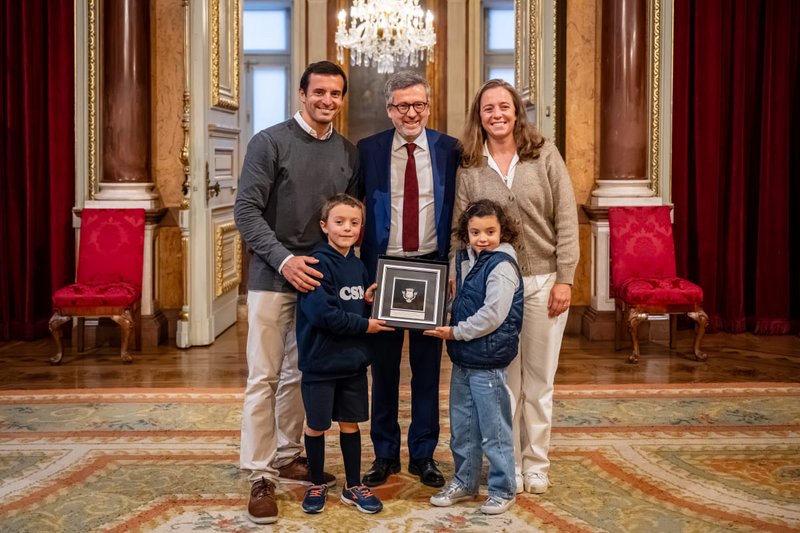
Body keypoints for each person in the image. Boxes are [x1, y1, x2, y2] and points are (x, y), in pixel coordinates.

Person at [234, 60, 360, 525]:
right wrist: (285, 259)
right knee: (264, 377)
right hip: (273, 277)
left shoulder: (348, 152)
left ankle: (288, 454)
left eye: (335, 94)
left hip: (320, 285)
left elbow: (346, 221)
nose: (327, 101)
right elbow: (246, 212)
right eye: (319, 92)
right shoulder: (269, 142)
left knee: (300, 374)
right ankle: (260, 475)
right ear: (302, 95)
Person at [452, 79, 579, 495]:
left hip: (543, 282)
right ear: (480, 116)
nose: (497, 115)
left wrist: (566, 278)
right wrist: (462, 280)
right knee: (504, 381)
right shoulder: (470, 165)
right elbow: (460, 229)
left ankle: (536, 462)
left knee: (540, 379)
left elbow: (565, 218)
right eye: (488, 109)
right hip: (495, 287)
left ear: (516, 112)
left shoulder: (543, 154)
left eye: (504, 107)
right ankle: (510, 462)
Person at [357, 71, 461, 488]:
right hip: (384, 271)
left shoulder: (450, 149)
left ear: (428, 106)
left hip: (432, 269)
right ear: (390, 110)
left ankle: (423, 455)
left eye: (418, 104)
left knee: (426, 370)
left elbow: (459, 208)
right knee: (382, 371)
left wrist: (455, 266)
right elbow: (353, 207)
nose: (411, 112)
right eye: (402, 105)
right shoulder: (369, 150)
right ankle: (384, 455)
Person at [295, 194, 393, 515]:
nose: (347, 228)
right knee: (317, 425)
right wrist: (366, 324)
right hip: (320, 363)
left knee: (350, 424)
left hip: (352, 363)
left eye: (354, 223)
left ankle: (353, 485)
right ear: (325, 226)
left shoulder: (358, 264)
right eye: (339, 222)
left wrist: (366, 300)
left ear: (361, 228)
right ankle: (316, 482)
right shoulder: (315, 264)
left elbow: (351, 300)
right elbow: (325, 316)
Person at [425, 199, 524, 515]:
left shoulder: (502, 266)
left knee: (494, 428)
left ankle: (502, 488)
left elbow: (493, 315)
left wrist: (455, 332)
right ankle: (465, 481)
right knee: (463, 426)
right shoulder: (464, 259)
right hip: (463, 358)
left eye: (490, 231)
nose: (483, 238)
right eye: (476, 232)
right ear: (466, 234)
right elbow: (460, 301)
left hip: (488, 360)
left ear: (502, 231)